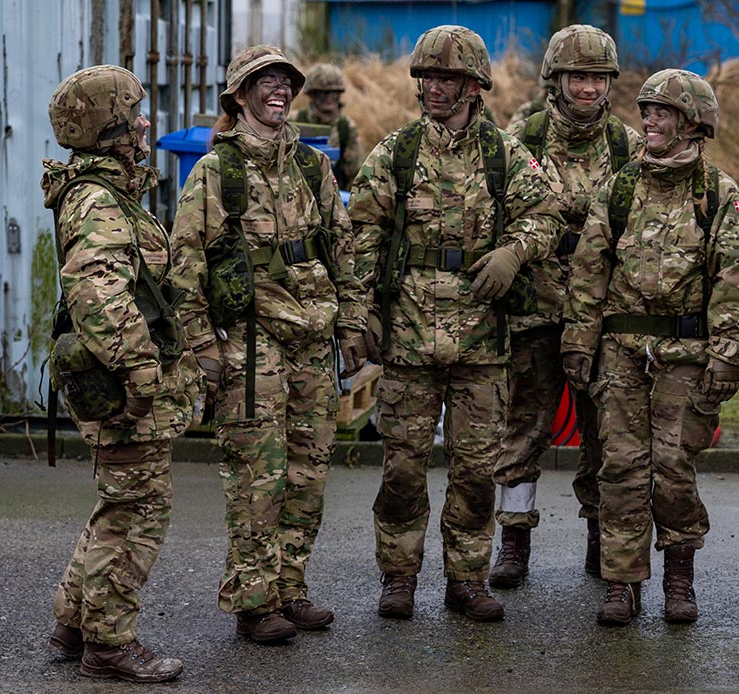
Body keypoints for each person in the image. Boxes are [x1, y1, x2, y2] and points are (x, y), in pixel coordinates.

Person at [349, 25, 560, 622]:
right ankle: (398, 575)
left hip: (482, 343)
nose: (435, 88)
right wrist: (359, 310)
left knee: (474, 472)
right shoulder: (397, 153)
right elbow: (361, 233)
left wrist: (515, 250)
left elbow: (547, 213)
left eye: (447, 78)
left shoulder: (504, 155)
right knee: (402, 468)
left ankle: (466, 577)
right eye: (427, 77)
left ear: (474, 86)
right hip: (409, 339)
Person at [169, 45, 366, 643]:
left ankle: (290, 586)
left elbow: (344, 247)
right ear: (239, 96)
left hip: (313, 340)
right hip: (252, 344)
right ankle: (254, 601)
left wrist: (353, 323)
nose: (278, 89)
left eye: (285, 80)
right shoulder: (216, 172)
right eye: (264, 81)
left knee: (309, 472)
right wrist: (203, 345)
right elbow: (184, 265)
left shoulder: (312, 167)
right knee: (259, 474)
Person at [562, 69, 739, 626]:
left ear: (692, 122)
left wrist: (725, 358)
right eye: (645, 111)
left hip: (686, 356)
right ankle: (621, 582)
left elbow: (734, 283)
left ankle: (678, 576)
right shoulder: (620, 188)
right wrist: (579, 341)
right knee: (620, 467)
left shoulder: (718, 194)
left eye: (661, 113)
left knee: (672, 467)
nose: (648, 121)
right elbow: (588, 271)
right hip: (621, 352)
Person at [43, 65, 202, 683]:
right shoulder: (98, 202)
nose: (144, 122)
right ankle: (109, 643)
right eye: (133, 113)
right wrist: (141, 372)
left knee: (120, 502)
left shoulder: (105, 192)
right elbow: (100, 298)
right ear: (109, 128)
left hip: (119, 380)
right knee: (139, 509)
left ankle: (72, 621)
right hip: (124, 386)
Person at [491, 24, 643, 588]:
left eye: (598, 77)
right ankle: (513, 538)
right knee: (522, 427)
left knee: (606, 432)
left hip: (603, 316)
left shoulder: (629, 146)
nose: (587, 88)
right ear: (555, 79)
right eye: (577, 76)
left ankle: (601, 536)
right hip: (534, 308)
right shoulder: (521, 139)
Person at [295, 63, 365, 190]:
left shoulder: (346, 127)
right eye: (324, 93)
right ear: (312, 95)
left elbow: (356, 172)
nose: (329, 98)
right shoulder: (295, 121)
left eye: (334, 93)